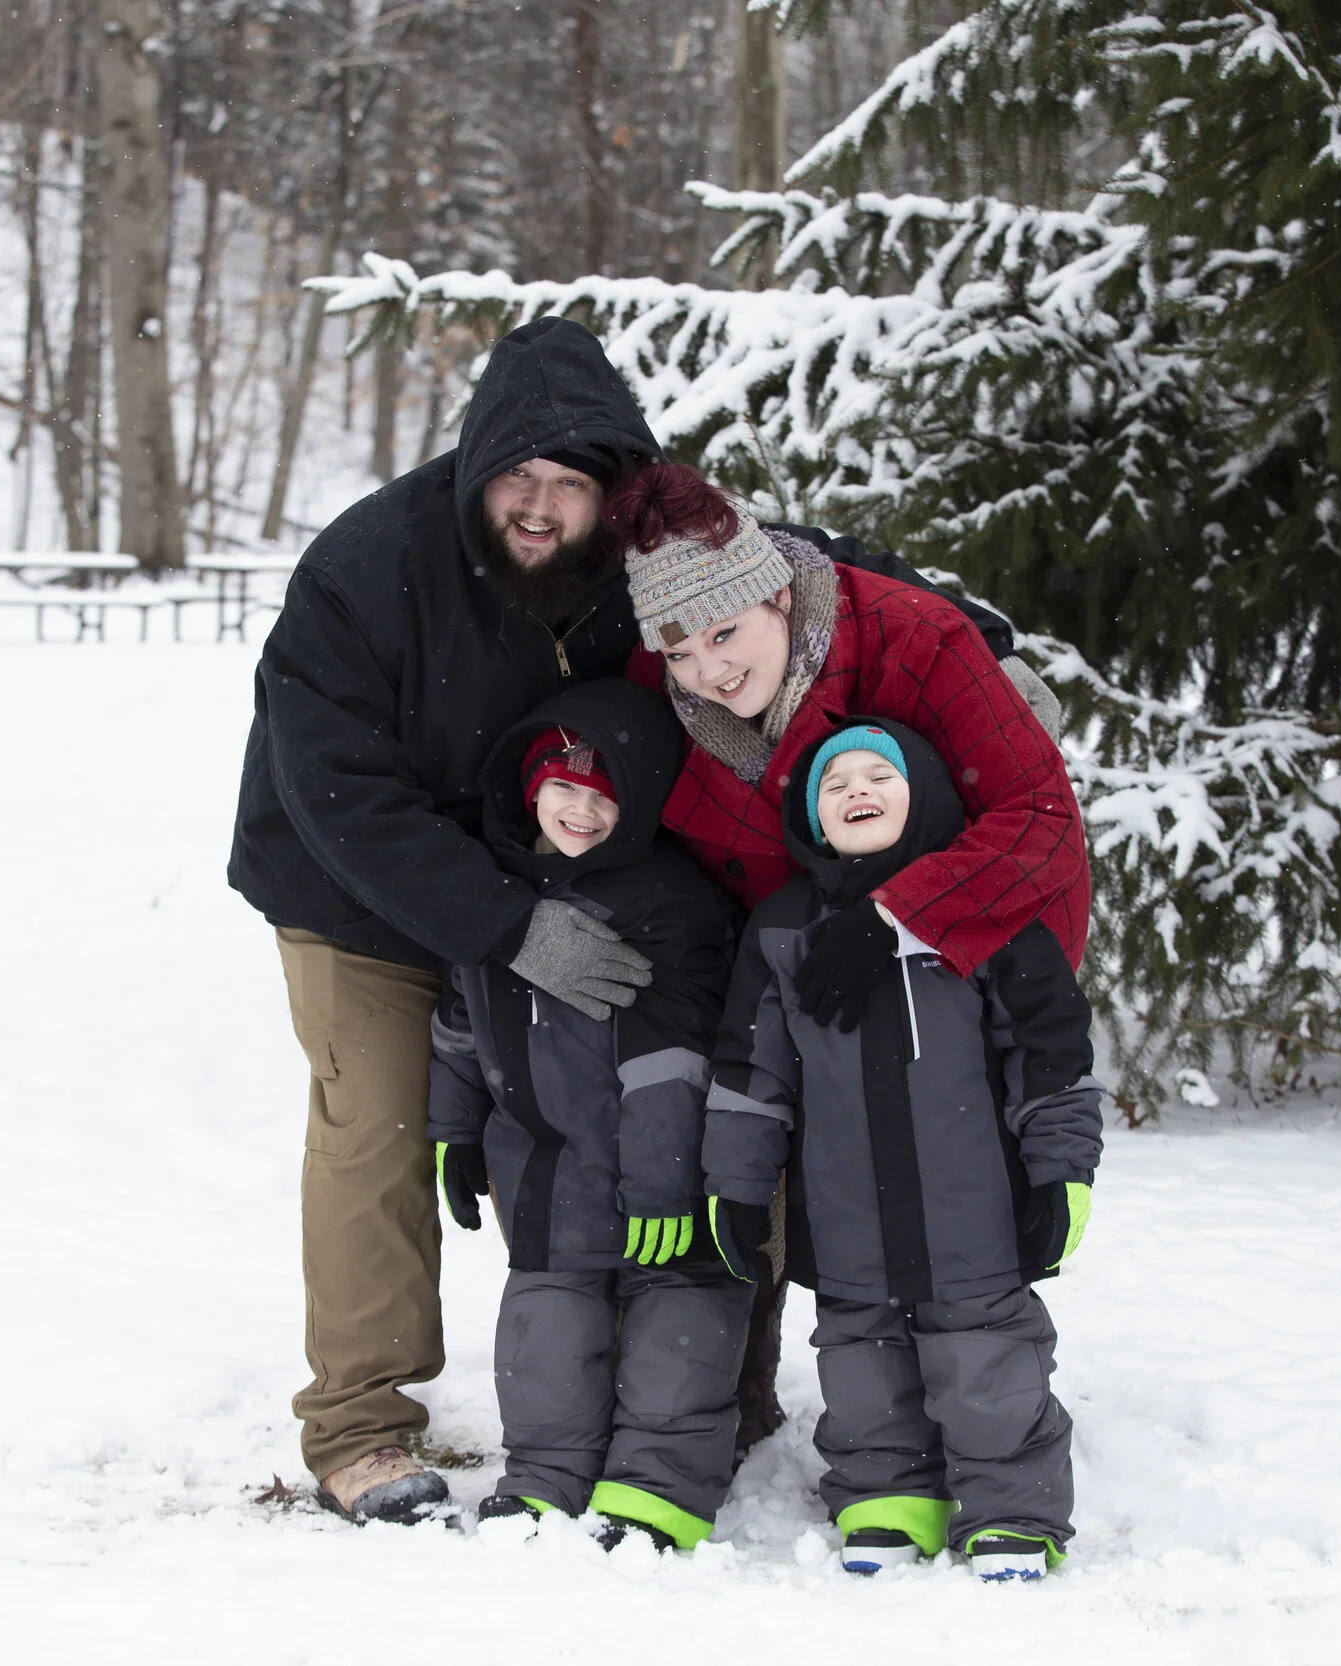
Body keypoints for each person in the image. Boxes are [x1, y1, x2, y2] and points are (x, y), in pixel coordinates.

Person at [226, 317, 1021, 1522]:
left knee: (703, 1103)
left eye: (571, 485)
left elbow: (800, 564)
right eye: (516, 477)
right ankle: (358, 1423)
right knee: (381, 1130)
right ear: (473, 464)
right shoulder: (366, 567)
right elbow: (336, 789)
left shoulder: (638, 549)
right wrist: (501, 922)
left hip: (595, 870)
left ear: (617, 491)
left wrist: (971, 636)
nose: (540, 508)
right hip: (360, 890)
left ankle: (705, 1391)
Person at [607, 461, 1093, 1451]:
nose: (709, 670)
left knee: (956, 1200)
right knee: (785, 1180)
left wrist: (894, 920)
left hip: (968, 948)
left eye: (726, 634)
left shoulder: (913, 638)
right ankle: (789, 1414)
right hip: (790, 973)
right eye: (680, 649)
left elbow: (1038, 821)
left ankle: (992, 1432)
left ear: (776, 591)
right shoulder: (669, 704)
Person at [701, 719, 1105, 1581]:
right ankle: (887, 1493)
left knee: (987, 1361)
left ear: (923, 792)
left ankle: (1011, 1509)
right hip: (844, 1210)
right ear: (812, 818)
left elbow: (1051, 1054)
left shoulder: (981, 904)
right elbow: (751, 1073)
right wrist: (734, 1185)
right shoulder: (782, 930)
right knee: (860, 1359)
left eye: (878, 774)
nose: (856, 789)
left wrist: (1060, 1171)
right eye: (834, 782)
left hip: (973, 1206)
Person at [427, 678, 747, 1550]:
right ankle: (544, 1474)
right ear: (529, 784)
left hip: (665, 1164)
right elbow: (460, 1025)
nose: (581, 809)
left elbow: (670, 1062)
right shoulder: (488, 890)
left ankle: (657, 1487)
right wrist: (454, 1133)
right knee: (545, 1330)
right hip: (545, 1165)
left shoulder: (667, 903)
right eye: (564, 786)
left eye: (605, 795)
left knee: (678, 1322)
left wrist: (665, 1186)